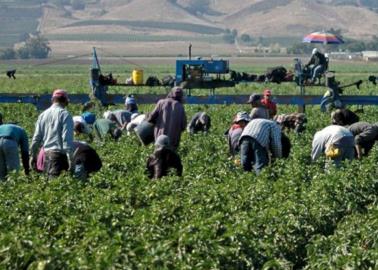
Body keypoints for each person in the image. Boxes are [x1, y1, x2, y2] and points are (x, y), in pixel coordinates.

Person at [30, 89, 74, 179]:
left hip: (46, 155)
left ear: (52, 100)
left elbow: (36, 138)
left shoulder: (43, 115)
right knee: (57, 187)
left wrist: (33, 156)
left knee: (49, 186)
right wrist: (70, 158)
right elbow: (66, 139)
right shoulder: (65, 114)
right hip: (59, 157)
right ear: (66, 101)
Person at [36, 141, 102, 180]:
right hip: (93, 158)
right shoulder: (61, 145)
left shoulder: (53, 150)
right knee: (86, 177)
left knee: (78, 181)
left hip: (81, 158)